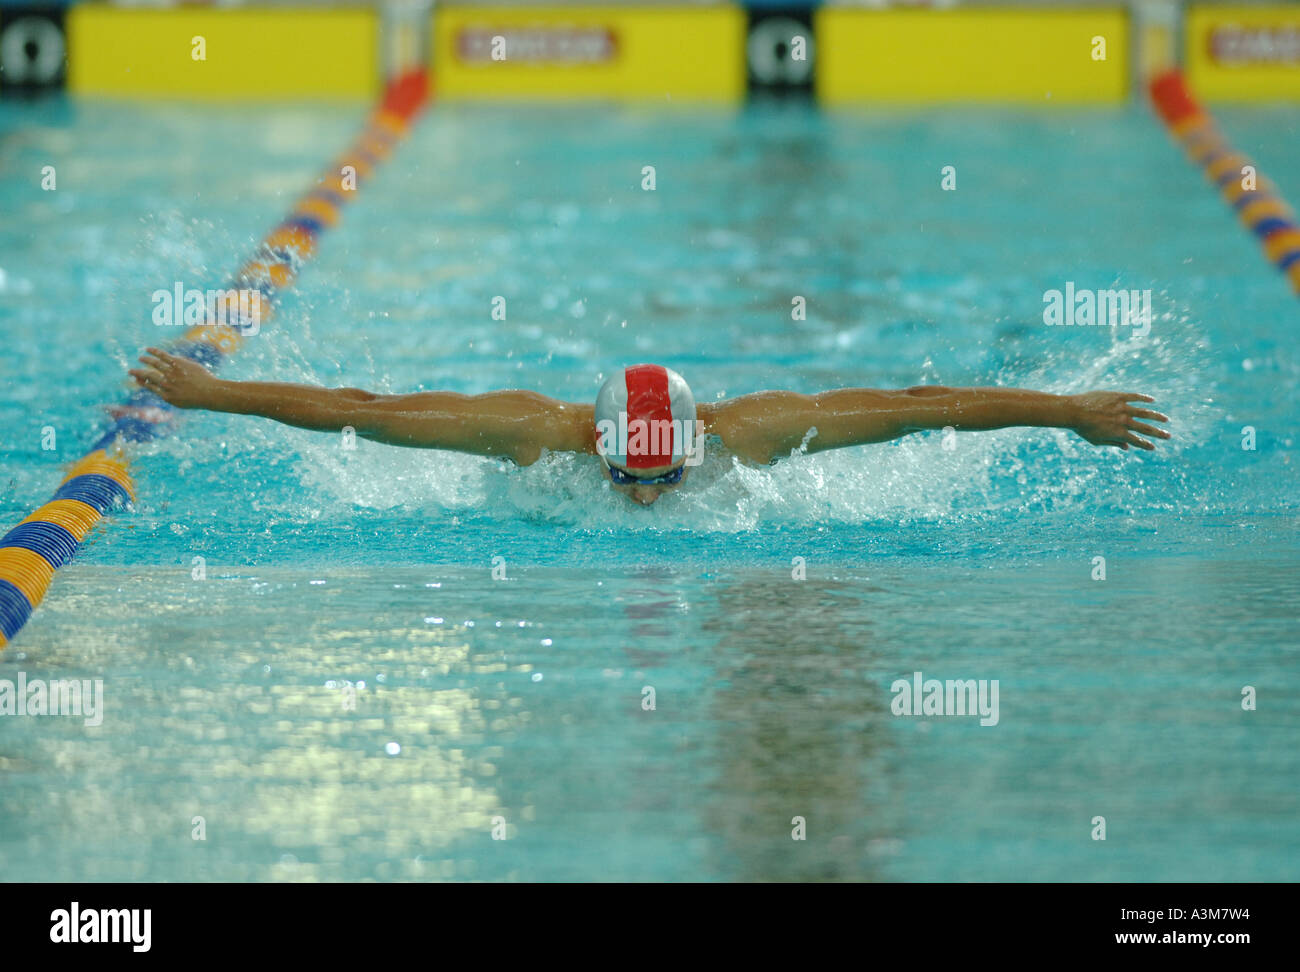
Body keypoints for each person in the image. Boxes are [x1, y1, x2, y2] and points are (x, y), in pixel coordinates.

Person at [130, 350, 1170, 507]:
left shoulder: (749, 435)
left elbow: (913, 411)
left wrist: (1068, 412)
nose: (638, 497)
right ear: (597, 443)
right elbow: (365, 416)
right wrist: (206, 393)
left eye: (660, 479)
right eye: (629, 475)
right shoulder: (533, 436)